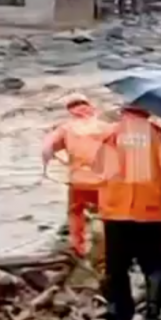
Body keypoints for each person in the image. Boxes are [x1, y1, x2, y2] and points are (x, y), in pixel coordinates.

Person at [96, 102, 161, 320]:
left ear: (123, 110)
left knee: (117, 270)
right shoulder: (160, 135)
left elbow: (99, 170)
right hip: (148, 212)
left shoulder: (111, 134)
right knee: (153, 267)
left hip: (116, 212)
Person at [41, 93, 110, 258]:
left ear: (70, 110)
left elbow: (47, 149)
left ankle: (79, 247)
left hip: (79, 181)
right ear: (90, 107)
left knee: (75, 212)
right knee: (107, 213)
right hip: (103, 180)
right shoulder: (105, 127)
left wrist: (50, 164)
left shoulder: (66, 128)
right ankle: (107, 246)